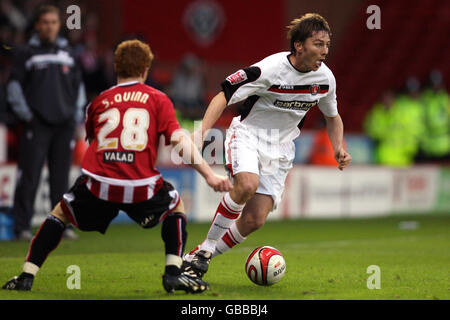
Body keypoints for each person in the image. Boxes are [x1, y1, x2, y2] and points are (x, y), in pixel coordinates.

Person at [2, 39, 232, 293]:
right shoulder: (158, 99)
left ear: (115, 67)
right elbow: (179, 141)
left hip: (99, 184)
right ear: (146, 69)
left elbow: (91, 142)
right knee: (175, 205)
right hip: (139, 184)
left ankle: (26, 276)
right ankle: (173, 274)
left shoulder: (99, 101)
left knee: (59, 214)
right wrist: (209, 175)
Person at [184, 13, 352, 277]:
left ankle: (195, 259)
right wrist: (201, 132)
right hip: (248, 135)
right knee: (247, 185)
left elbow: (333, 117)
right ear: (299, 45)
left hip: (281, 148)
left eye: (327, 45)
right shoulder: (271, 69)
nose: (324, 51)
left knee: (254, 220)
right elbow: (224, 93)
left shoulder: (325, 80)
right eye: (318, 44)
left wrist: (338, 147)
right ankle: (205, 249)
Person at [6, 5, 86, 240]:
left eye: (53, 22)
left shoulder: (68, 53)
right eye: (45, 22)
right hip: (36, 123)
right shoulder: (25, 53)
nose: (49, 26)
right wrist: (27, 115)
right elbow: (14, 87)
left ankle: (62, 225)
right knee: (29, 175)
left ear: (59, 24)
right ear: (38, 25)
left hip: (64, 125)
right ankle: (21, 227)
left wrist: (76, 116)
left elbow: (78, 88)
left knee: (61, 178)